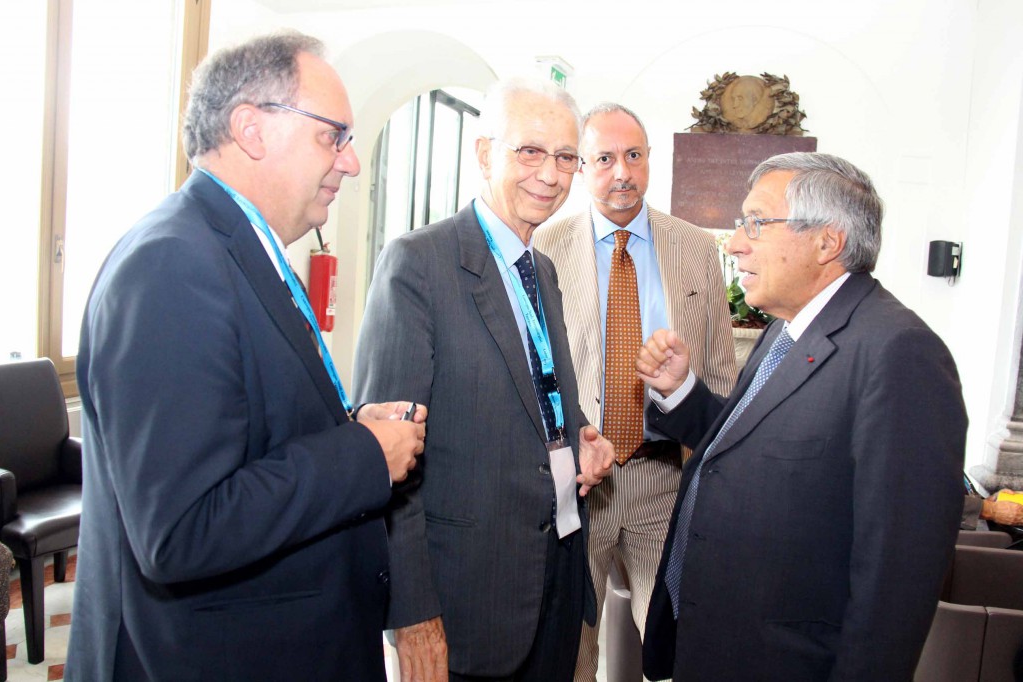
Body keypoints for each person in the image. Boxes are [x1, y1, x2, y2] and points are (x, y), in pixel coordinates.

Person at [66, 32, 426, 681]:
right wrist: (363, 454)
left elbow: (246, 433)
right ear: (251, 129)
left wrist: (350, 426)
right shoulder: (171, 265)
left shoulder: (233, 250)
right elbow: (182, 528)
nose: (351, 163)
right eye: (333, 137)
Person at [636, 152, 967, 681]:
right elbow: (747, 449)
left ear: (827, 242)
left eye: (756, 222)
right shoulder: (784, 330)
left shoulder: (900, 354)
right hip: (719, 644)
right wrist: (680, 392)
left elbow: (897, 577)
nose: (735, 242)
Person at [354, 77, 616, 682]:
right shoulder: (418, 265)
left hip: (556, 574)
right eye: (530, 151)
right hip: (466, 600)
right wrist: (411, 615)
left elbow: (537, 395)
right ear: (483, 153)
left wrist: (580, 434)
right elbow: (386, 460)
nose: (549, 175)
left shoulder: (541, 268)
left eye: (566, 158)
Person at [533, 102, 736, 682]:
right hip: (579, 484)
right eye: (603, 159)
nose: (621, 172)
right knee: (571, 653)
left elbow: (720, 374)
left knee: (681, 647)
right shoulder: (546, 247)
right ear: (580, 167)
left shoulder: (696, 249)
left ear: (650, 160)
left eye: (633, 156)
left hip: (663, 482)